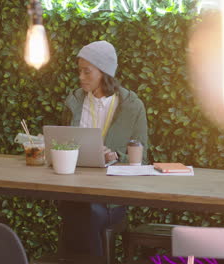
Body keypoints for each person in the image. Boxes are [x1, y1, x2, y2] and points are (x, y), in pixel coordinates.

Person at [59, 40, 149, 257]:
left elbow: (143, 157)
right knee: (76, 208)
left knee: (84, 213)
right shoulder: (74, 102)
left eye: (87, 72)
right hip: (75, 190)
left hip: (110, 197)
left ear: (104, 73)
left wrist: (116, 155)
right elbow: (62, 143)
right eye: (79, 71)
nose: (81, 77)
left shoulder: (131, 106)